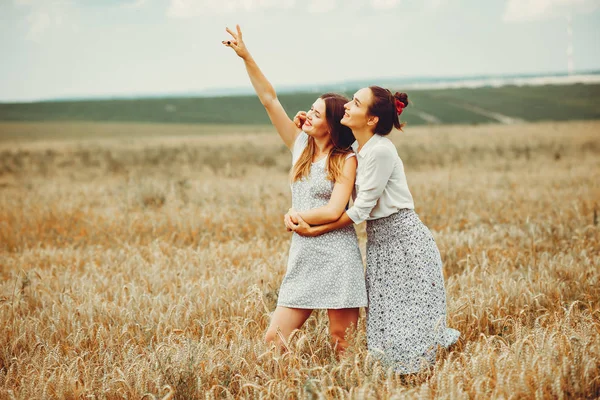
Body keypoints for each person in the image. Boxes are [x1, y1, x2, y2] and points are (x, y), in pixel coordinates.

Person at [286, 86, 460, 373]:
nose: (347, 106)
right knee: (387, 318)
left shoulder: (380, 151)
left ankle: (423, 376)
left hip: (404, 241)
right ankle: (401, 377)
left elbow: (360, 210)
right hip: (380, 242)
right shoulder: (358, 149)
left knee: (411, 316)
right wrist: (306, 126)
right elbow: (329, 145)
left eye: (355, 103)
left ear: (371, 120)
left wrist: (317, 230)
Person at [222, 25, 367, 354]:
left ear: (330, 124)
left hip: (338, 256)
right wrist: (246, 56)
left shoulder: (347, 159)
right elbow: (269, 99)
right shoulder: (300, 145)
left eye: (317, 112)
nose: (308, 114)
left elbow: (335, 210)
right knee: (275, 340)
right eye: (310, 109)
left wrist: (296, 215)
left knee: (343, 345)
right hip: (303, 255)